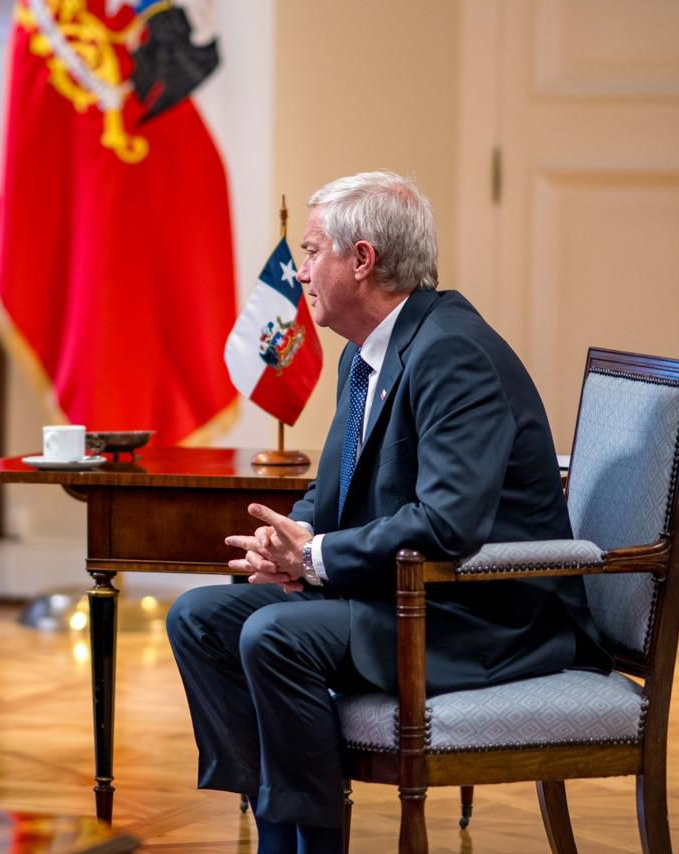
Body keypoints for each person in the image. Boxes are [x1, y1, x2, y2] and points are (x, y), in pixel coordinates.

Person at [166, 171, 607, 853]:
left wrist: (314, 561)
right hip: (400, 598)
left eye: (312, 251)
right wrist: (294, 542)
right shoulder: (364, 355)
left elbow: (446, 524)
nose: (301, 270)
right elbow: (335, 492)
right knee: (200, 618)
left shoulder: (451, 352)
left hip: (481, 617)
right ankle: (277, 829)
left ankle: (310, 845)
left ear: (362, 260)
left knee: (273, 637)